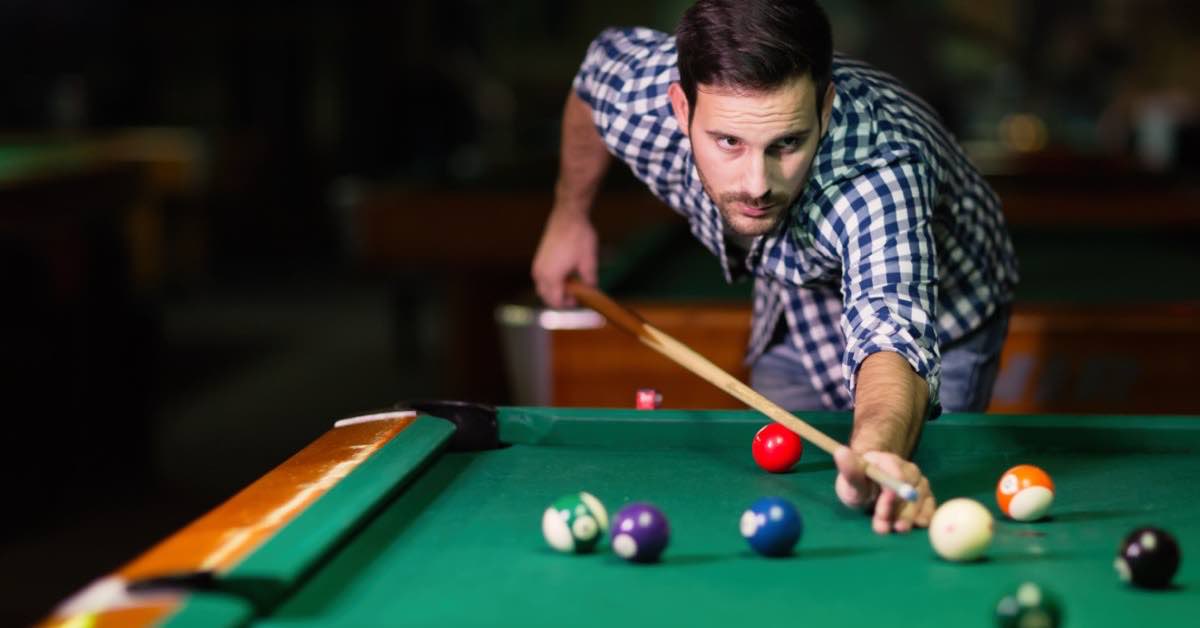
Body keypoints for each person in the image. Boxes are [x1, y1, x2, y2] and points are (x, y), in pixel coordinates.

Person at [532, 0, 1018, 535]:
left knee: (883, 492)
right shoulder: (639, 93)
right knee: (792, 487)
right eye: (728, 142)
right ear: (680, 108)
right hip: (795, 290)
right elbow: (594, 75)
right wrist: (568, 214)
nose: (758, 184)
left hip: (944, 308)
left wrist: (878, 450)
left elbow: (892, 330)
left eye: (787, 143)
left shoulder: (881, 171)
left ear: (825, 109)